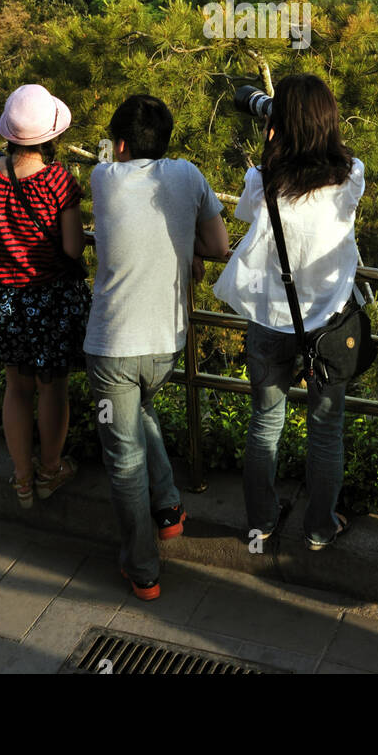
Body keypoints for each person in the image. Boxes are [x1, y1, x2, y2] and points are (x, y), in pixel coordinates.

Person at [84, 94, 228, 602]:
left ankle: (142, 568)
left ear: (119, 145)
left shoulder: (102, 178)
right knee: (140, 409)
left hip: (113, 347)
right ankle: (168, 507)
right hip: (167, 345)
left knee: (123, 459)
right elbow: (218, 245)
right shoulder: (189, 176)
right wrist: (183, 247)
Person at [214, 73, 365, 551]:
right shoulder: (350, 175)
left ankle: (261, 520)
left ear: (277, 124)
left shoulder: (262, 179)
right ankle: (320, 528)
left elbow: (246, 215)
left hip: (267, 320)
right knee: (325, 431)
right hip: (329, 326)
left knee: (265, 423)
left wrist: (271, 141)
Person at [0, 84, 90, 510]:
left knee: (16, 387)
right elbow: (71, 249)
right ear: (52, 135)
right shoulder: (59, 181)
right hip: (51, 300)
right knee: (52, 388)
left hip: (5, 298)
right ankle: (51, 471)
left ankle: (21, 479)